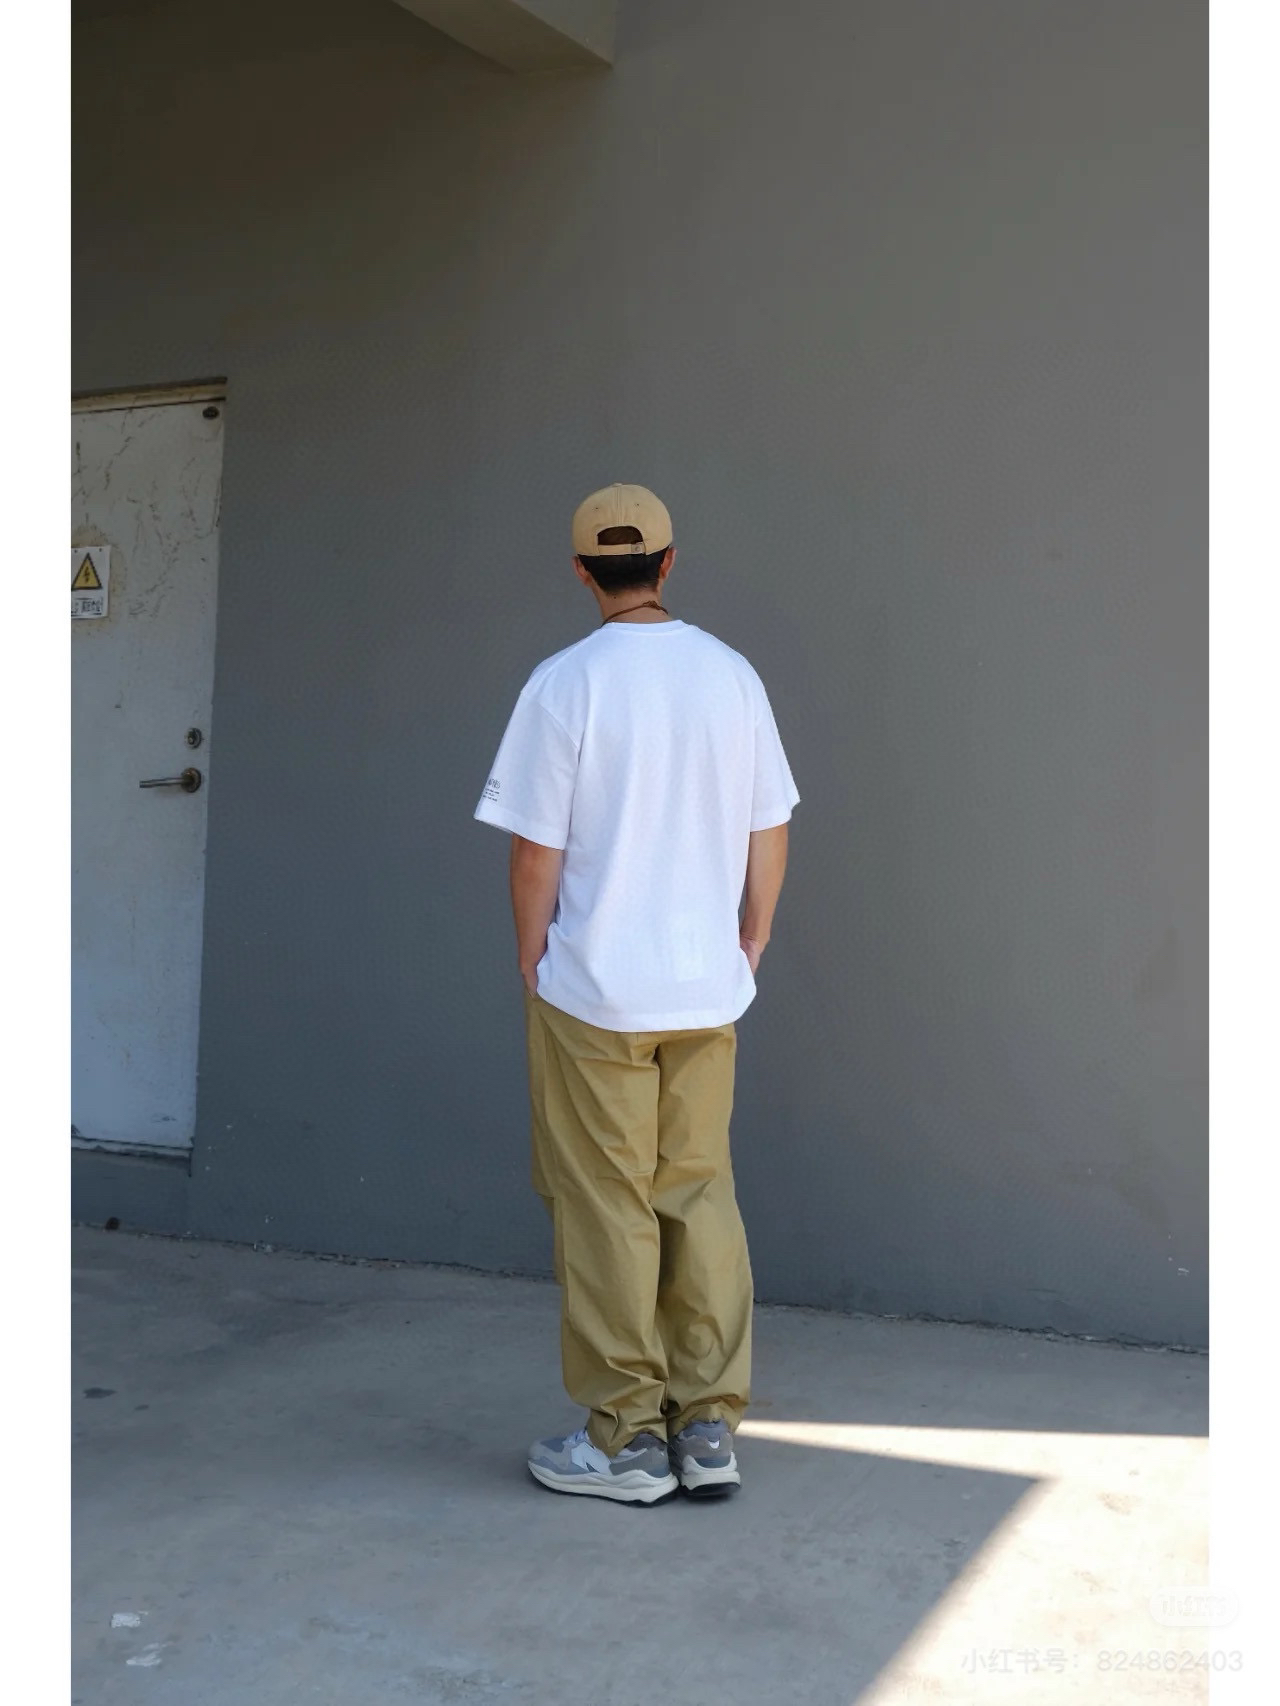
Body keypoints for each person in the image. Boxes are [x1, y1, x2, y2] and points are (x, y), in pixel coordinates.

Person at [474, 482, 799, 1505]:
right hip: (705, 986)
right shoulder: (732, 676)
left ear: (582, 571)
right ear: (668, 561)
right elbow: (770, 823)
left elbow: (535, 850)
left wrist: (531, 956)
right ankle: (707, 1427)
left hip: (594, 991)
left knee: (604, 1200)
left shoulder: (563, 683)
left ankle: (624, 1439)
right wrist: (751, 936)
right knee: (698, 1191)